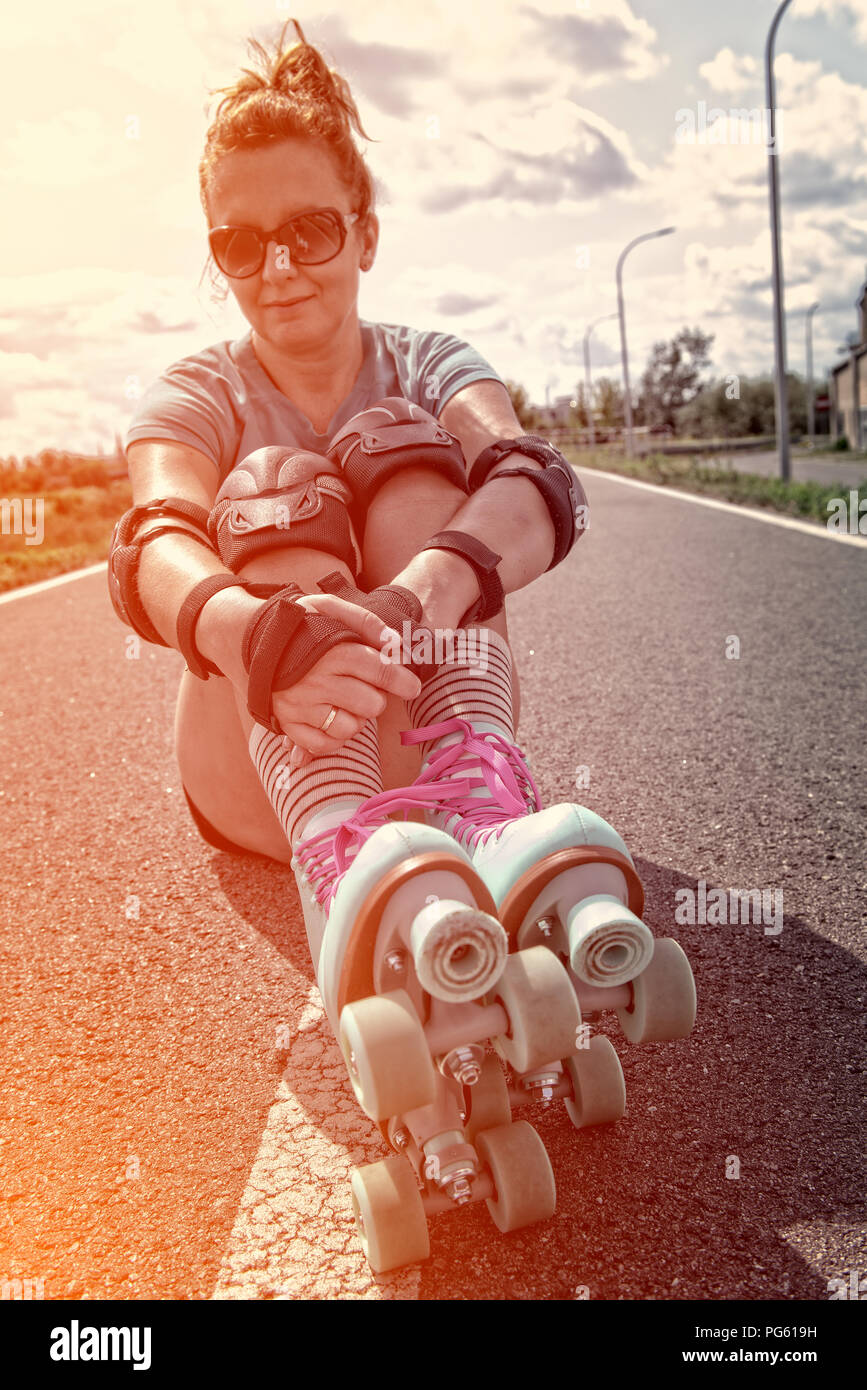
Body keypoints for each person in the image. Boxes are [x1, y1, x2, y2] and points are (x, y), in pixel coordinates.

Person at [110, 20, 696, 1270]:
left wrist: (418, 594)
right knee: (270, 480)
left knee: (405, 451)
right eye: (238, 243)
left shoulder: (431, 361)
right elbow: (153, 533)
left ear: (365, 233)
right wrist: (266, 632)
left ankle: (473, 799)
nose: (276, 268)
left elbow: (537, 480)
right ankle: (346, 858)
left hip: (432, 707)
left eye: (309, 230)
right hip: (271, 756)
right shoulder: (195, 391)